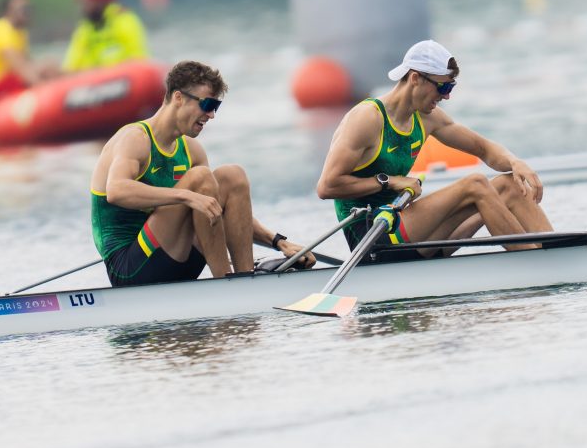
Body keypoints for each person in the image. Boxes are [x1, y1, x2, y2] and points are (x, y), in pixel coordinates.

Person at [316, 39, 554, 261]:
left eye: (451, 87)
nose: (447, 96)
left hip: (404, 227)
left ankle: (556, 254)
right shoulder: (367, 118)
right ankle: (535, 265)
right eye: (443, 87)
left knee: (510, 185)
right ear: (416, 78)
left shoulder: (426, 118)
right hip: (371, 235)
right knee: (475, 185)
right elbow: (327, 186)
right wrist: (390, 181)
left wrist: (515, 162)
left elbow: (483, 148)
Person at [90, 60, 316, 286]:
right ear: (178, 98)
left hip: (176, 255)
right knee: (201, 178)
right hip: (130, 268)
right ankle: (226, 282)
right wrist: (187, 195)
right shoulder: (135, 139)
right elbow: (116, 191)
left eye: (215, 107)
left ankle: (244, 279)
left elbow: (216, 208)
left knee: (232, 176)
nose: (211, 115)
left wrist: (278, 242)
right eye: (207, 104)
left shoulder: (191, 150)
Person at [0, 0, 60, 101]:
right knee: (47, 66)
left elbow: (27, 63)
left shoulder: (20, 33)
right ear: (8, 12)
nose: (26, 13)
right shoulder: (3, 31)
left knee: (49, 66)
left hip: (10, 81)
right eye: (22, 9)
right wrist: (46, 91)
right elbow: (20, 67)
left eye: (28, 9)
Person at [63, 0, 150, 71]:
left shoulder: (123, 19)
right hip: (95, 77)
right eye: (83, 3)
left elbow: (137, 51)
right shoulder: (84, 29)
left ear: (101, 2)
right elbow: (73, 60)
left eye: (89, 2)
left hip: (126, 72)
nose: (84, 7)